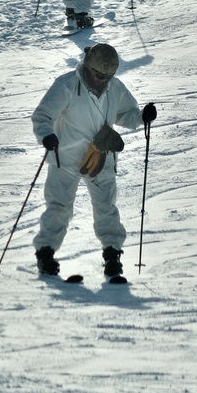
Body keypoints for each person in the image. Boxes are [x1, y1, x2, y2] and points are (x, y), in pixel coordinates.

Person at [31, 43, 157, 281]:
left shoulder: (115, 88)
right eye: (99, 75)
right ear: (88, 67)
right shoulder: (67, 85)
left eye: (108, 76)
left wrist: (142, 117)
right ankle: (46, 254)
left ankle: (112, 256)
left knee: (106, 207)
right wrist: (46, 134)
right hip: (65, 156)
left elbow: (125, 115)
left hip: (102, 156)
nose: (103, 80)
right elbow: (43, 115)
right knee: (59, 205)